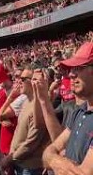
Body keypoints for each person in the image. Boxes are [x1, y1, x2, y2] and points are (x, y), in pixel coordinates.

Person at [42, 42, 93, 175]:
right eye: (71, 70)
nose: (71, 75)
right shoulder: (80, 110)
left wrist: (54, 159)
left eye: (79, 68)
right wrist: (58, 161)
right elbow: (48, 152)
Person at [0, 67, 50, 175]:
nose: (18, 81)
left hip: (30, 167)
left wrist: (9, 159)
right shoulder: (26, 101)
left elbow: (31, 142)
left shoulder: (38, 107)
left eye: (22, 79)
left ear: (34, 82)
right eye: (18, 78)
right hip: (19, 163)